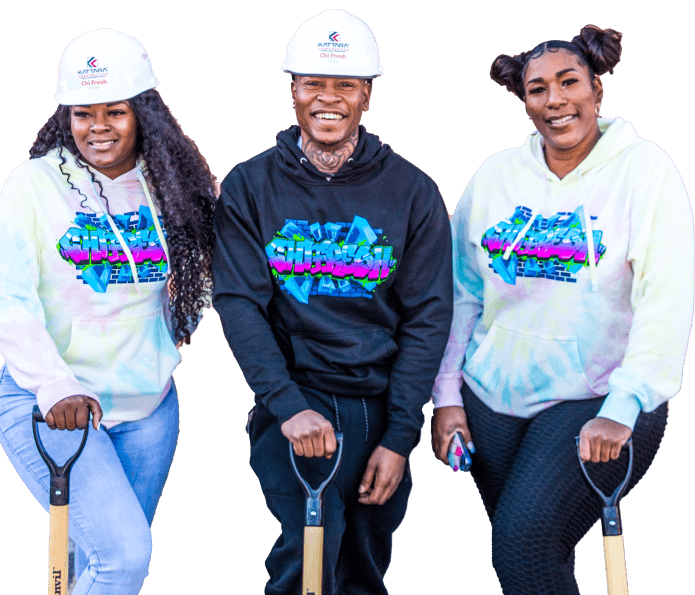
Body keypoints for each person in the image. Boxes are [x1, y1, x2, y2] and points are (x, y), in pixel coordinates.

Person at [431, 25, 694, 594]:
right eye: (537, 89)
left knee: (523, 547)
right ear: (523, 100)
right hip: (490, 398)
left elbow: (665, 301)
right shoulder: (496, 175)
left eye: (569, 82)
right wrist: (446, 395)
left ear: (597, 89)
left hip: (594, 396)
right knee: (521, 550)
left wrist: (624, 404)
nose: (554, 100)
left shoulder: (645, 172)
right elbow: (459, 291)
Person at [212, 9, 452, 595]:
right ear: (293, 90)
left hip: (378, 399)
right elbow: (238, 301)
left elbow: (428, 317)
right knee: (308, 554)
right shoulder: (250, 185)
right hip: (293, 397)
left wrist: (399, 437)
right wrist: (288, 405)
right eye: (313, 82)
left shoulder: (413, 190)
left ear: (366, 95)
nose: (328, 98)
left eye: (345, 84)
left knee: (365, 560)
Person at [0, 29, 215, 595]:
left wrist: (168, 343)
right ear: (66, 116)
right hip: (51, 405)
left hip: (147, 410)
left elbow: (210, 277)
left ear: (144, 114)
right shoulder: (32, 184)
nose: (98, 127)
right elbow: (7, 299)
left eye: (115, 111)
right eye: (83, 113)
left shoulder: (178, 187)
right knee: (124, 557)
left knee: (93, 560)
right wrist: (55, 386)